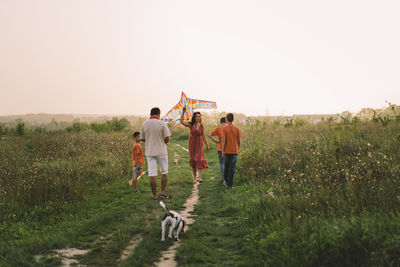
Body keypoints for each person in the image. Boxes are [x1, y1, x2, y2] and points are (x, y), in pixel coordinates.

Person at [140, 107, 171, 200]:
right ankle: (163, 193)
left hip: (149, 152)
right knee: (164, 172)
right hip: (161, 151)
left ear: (150, 114)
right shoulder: (162, 123)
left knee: (152, 175)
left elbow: (142, 139)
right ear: (159, 114)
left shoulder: (144, 124)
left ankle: (154, 196)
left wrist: (149, 141)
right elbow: (167, 138)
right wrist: (163, 142)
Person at [180, 107, 210, 183]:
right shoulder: (191, 125)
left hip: (199, 144)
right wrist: (183, 113)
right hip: (192, 144)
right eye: (196, 116)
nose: (198, 118)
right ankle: (194, 178)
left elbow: (203, 136)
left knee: (199, 160)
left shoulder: (202, 126)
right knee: (193, 160)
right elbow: (182, 122)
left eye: (199, 116)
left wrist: (207, 145)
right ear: (194, 117)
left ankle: (200, 177)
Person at [221, 113, 241, 189]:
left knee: (226, 167)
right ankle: (230, 185)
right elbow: (239, 141)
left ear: (226, 119)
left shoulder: (224, 128)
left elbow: (224, 140)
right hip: (234, 151)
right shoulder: (237, 129)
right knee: (231, 169)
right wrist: (237, 149)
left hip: (227, 151)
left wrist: (223, 151)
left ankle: (225, 181)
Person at [208, 117, 227, 185]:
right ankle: (227, 179)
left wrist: (217, 141)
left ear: (220, 122)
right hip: (228, 149)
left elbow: (209, 135)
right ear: (226, 121)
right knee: (227, 164)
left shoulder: (218, 129)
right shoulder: (228, 128)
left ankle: (224, 179)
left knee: (222, 164)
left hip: (220, 149)